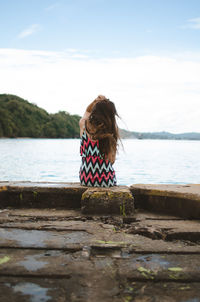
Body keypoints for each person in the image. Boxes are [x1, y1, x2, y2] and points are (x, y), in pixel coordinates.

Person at [79, 95, 120, 187]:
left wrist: (95, 101)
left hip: (85, 179)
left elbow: (86, 113)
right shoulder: (110, 134)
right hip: (105, 181)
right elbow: (112, 161)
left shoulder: (84, 126)